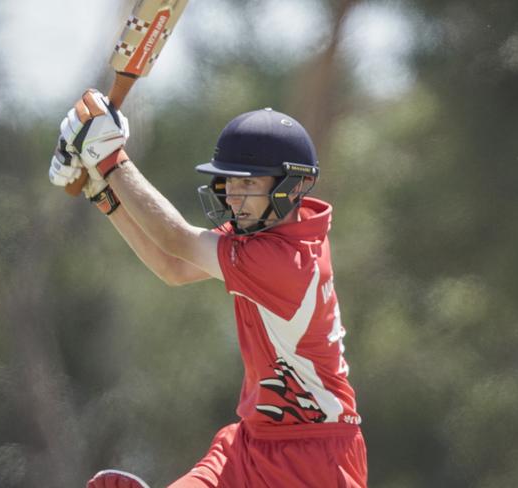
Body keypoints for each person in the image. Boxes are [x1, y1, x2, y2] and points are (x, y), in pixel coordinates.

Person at [49, 90, 368, 488]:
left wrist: (112, 160)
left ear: (292, 184)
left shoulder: (283, 263)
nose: (233, 197)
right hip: (251, 441)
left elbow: (178, 240)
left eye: (248, 183)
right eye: (229, 182)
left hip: (312, 457)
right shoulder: (270, 231)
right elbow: (174, 266)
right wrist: (104, 190)